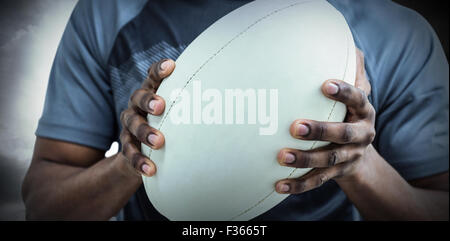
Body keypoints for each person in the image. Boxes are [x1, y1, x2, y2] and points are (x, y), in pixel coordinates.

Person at [21, 0, 448, 220]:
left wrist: (359, 164)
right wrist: (130, 161)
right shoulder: (108, 14)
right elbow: (43, 205)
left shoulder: (394, 32)